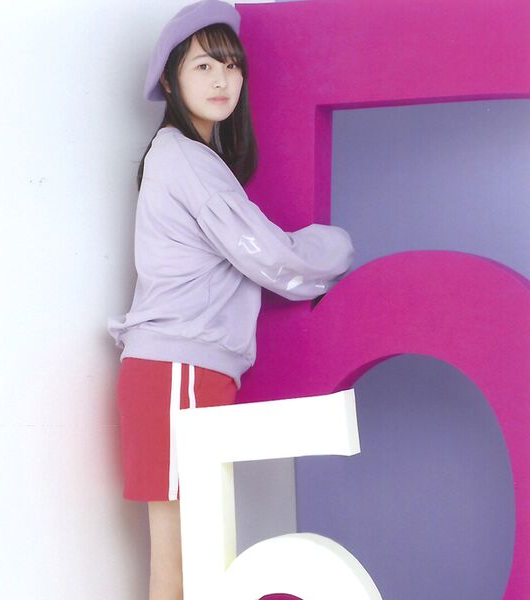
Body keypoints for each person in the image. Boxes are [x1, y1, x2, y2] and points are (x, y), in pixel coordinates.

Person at [106, 1, 355, 598]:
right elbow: (271, 256)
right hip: (178, 370)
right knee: (183, 561)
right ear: (171, 81)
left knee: (187, 561)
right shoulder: (185, 159)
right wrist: (338, 246)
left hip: (181, 370)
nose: (222, 80)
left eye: (231, 65)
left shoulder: (191, 159)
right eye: (203, 66)